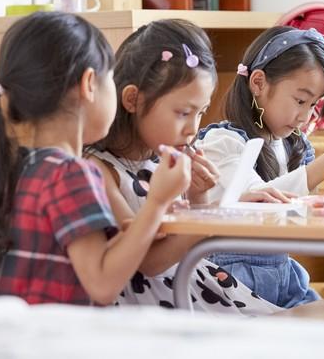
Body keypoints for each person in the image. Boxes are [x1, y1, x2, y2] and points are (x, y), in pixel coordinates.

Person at [0, 11, 190, 305]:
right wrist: (156, 203)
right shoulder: (71, 173)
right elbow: (102, 284)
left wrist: (143, 224)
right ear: (89, 83)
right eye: (111, 80)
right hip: (57, 337)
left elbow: (75, 257)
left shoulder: (13, 165)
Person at [86, 19, 282, 314]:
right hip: (153, 301)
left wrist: (199, 198)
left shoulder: (162, 160)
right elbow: (150, 262)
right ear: (132, 100)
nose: (193, 128)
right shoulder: (99, 170)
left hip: (192, 282)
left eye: (201, 113)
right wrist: (215, 216)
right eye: (183, 113)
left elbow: (183, 240)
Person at [196, 26, 324, 308]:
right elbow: (258, 198)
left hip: (283, 276)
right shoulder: (223, 143)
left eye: (313, 105)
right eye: (300, 101)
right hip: (232, 281)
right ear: (258, 83)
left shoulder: (293, 146)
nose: (305, 117)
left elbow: (300, 214)